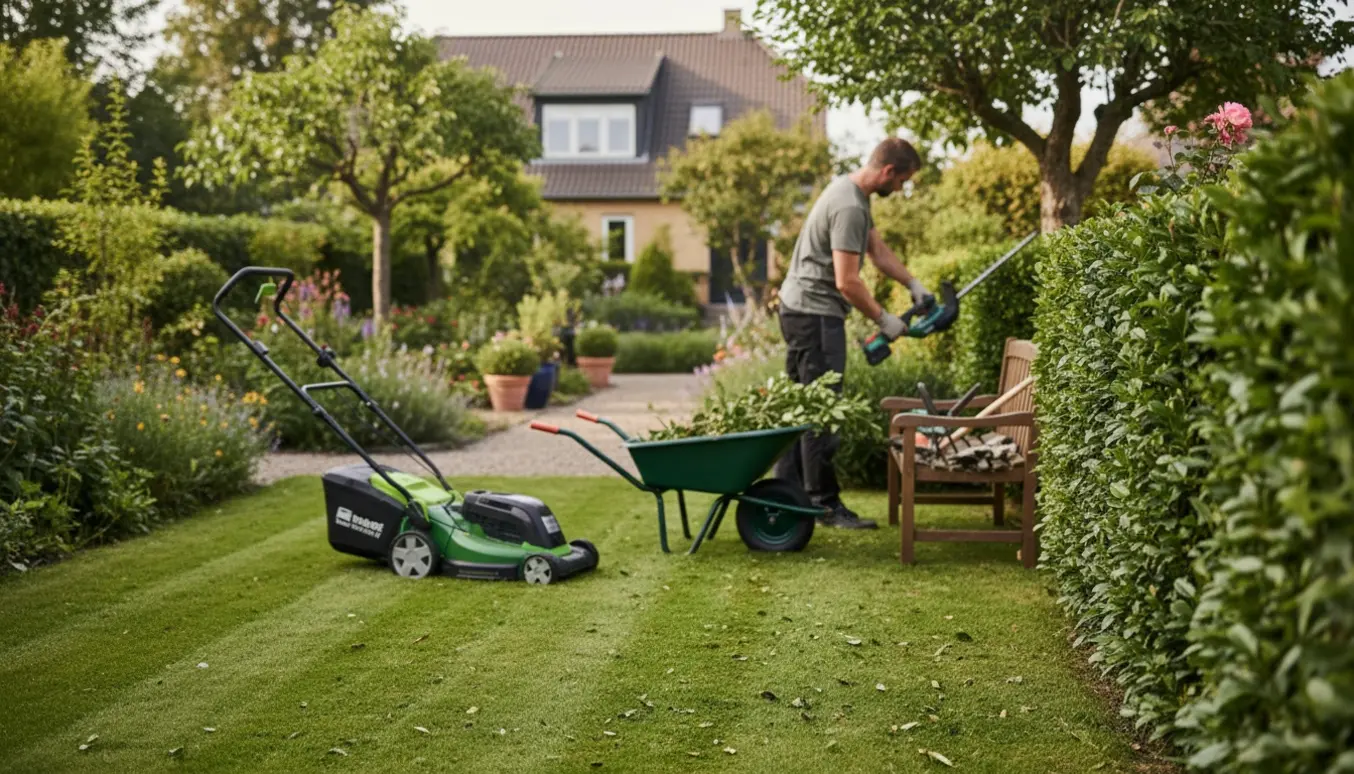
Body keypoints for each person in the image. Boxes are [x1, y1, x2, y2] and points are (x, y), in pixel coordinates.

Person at [773, 137, 929, 529]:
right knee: (822, 409)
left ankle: (784, 496)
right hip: (814, 315)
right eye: (902, 182)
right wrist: (883, 319)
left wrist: (913, 284)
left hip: (802, 310)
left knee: (802, 405)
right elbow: (847, 281)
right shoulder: (848, 206)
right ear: (888, 171)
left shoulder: (853, 194)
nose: (900, 190)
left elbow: (877, 251)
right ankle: (824, 504)